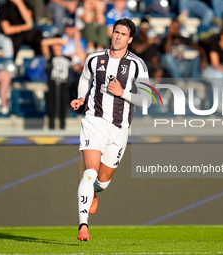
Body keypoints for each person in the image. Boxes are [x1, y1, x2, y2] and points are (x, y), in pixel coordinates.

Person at [70, 18, 151, 241]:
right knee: (89, 172)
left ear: (130, 39)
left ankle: (94, 193)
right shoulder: (95, 58)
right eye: (116, 32)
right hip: (93, 122)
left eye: (123, 34)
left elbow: (147, 99)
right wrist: (80, 97)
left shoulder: (137, 64)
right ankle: (83, 226)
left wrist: (122, 92)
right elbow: (85, 79)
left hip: (119, 129)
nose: (117, 37)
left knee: (102, 183)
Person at [42, 35, 83, 129]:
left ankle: (62, 128)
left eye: (59, 45)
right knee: (51, 109)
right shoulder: (50, 57)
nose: (57, 46)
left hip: (64, 85)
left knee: (63, 109)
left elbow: (79, 68)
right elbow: (43, 43)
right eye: (55, 44)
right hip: (52, 84)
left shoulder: (68, 58)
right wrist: (60, 40)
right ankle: (51, 129)